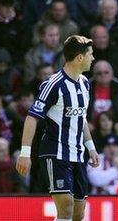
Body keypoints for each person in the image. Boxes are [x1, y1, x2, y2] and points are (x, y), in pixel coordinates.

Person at [15, 35, 99, 221]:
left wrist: (90, 147)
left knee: (78, 213)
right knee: (66, 207)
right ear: (79, 58)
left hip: (78, 155)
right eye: (90, 54)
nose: (93, 58)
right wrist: (25, 153)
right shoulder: (53, 84)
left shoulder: (85, 84)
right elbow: (31, 117)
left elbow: (81, 117)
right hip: (56, 153)